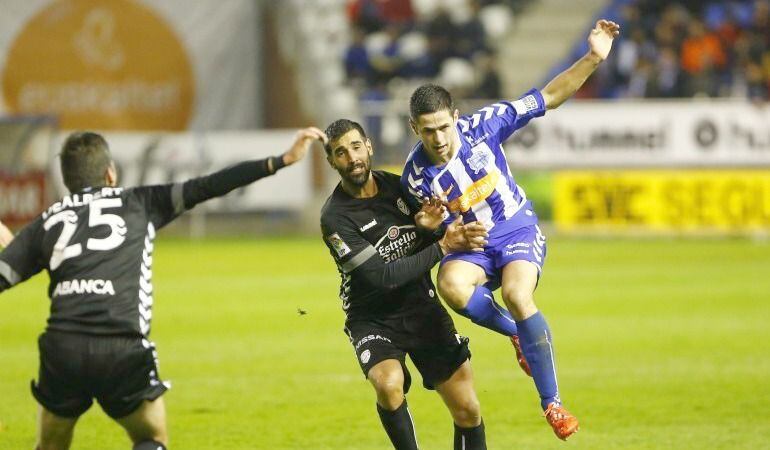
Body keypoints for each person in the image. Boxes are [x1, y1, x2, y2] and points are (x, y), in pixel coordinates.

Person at [0, 128, 326, 450]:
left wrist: (16, 251)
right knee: (151, 438)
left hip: (63, 349)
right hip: (121, 348)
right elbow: (210, 185)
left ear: (67, 181)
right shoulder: (140, 203)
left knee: (51, 445)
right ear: (110, 173)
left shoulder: (47, 222)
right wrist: (281, 160)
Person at [400, 20, 621, 441]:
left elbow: (549, 97)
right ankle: (519, 336)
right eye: (427, 131)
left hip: (514, 227)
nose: (439, 138)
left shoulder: (485, 125)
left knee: (519, 295)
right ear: (415, 129)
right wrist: (433, 229)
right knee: (450, 284)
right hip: (472, 246)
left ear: (456, 118)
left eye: (444, 127)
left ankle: (552, 404)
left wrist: (593, 57)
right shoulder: (414, 176)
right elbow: (427, 229)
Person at [320, 119, 491, 450]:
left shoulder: (400, 188)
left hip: (421, 307)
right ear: (332, 161)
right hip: (371, 317)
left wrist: (432, 230)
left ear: (368, 147)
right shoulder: (335, 218)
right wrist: (441, 246)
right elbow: (383, 277)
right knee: (388, 383)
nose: (352, 157)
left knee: (468, 410)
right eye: (341, 153)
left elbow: (433, 234)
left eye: (356, 147)